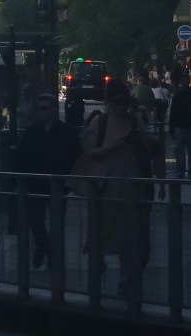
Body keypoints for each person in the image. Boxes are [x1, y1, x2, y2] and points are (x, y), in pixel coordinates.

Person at [75, 79, 164, 310]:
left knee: (130, 237)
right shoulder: (100, 122)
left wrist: (141, 142)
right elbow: (89, 151)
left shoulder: (134, 121)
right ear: (109, 102)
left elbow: (148, 150)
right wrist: (114, 145)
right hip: (106, 188)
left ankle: (126, 278)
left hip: (131, 186)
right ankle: (98, 267)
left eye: (124, 102)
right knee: (101, 234)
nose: (121, 107)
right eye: (116, 102)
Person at [15, 93, 80, 268]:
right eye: (38, 108)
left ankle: (51, 256)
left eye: (44, 108)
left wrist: (68, 180)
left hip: (58, 185)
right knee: (35, 221)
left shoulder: (66, 132)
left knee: (57, 224)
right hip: (36, 184)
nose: (40, 112)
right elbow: (21, 156)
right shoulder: (32, 132)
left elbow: (75, 156)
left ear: (53, 110)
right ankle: (44, 246)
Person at [169, 72, 191, 179]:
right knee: (190, 150)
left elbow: (173, 113)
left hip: (184, 126)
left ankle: (183, 171)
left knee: (183, 151)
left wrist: (172, 128)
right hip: (185, 127)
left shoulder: (179, 96)